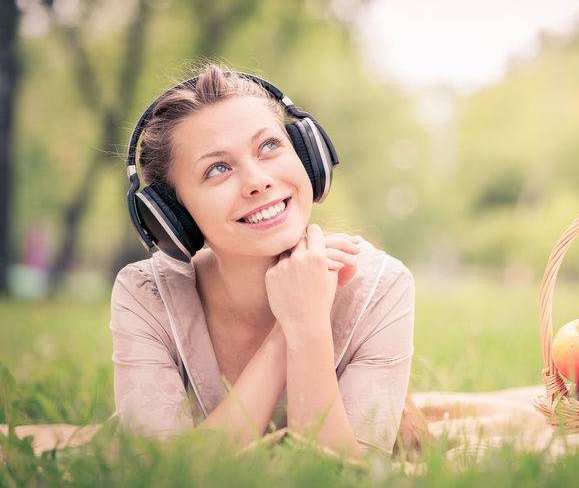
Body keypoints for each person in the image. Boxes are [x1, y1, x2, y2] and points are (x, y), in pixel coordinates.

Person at [110, 64, 420, 458]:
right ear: (173, 215)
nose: (258, 181)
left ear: (307, 156)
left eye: (269, 146)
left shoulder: (379, 286)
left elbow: (339, 475)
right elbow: (158, 473)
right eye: (217, 169)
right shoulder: (146, 296)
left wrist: (307, 329)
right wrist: (288, 328)